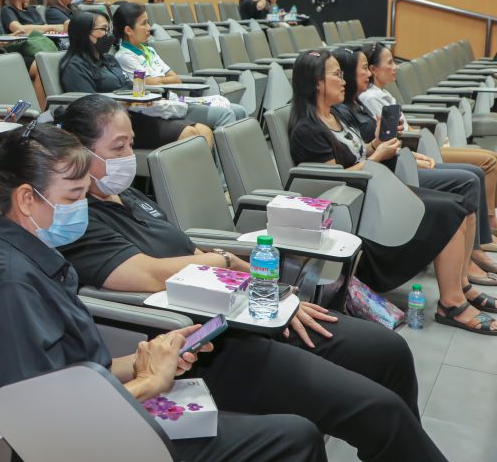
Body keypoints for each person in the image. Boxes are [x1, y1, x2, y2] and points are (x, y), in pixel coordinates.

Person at [54, 94, 449, 462]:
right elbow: (149, 273)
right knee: (380, 410)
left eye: (131, 144)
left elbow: (188, 251)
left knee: (389, 351)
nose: (129, 157)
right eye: (117, 148)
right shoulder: (78, 221)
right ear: (79, 152)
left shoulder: (127, 196)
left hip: (248, 311)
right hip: (207, 345)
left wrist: (275, 295)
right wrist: (227, 261)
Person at [0, 123, 328, 462]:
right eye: (72, 198)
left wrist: (147, 359)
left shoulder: (37, 258)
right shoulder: (11, 285)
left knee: (293, 433)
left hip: (92, 419)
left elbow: (84, 371)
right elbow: (46, 422)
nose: (83, 208)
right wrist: (149, 382)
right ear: (26, 199)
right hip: (74, 444)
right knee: (295, 439)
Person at [288, 49, 496, 335]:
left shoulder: (337, 115)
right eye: (336, 75)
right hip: (359, 212)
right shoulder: (307, 130)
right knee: (450, 212)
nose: (344, 80)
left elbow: (357, 155)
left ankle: (462, 287)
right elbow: (332, 180)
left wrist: (375, 144)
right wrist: (376, 157)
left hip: (378, 192)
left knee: (461, 204)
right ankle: (452, 304)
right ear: (316, 82)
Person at [333, 46, 497, 286]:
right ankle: (469, 263)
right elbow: (355, 161)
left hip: (394, 163)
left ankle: (474, 252)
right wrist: (391, 151)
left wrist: (389, 146)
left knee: (476, 172)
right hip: (387, 171)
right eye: (365, 68)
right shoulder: (349, 109)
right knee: (471, 179)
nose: (369, 74)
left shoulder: (355, 106)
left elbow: (371, 147)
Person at [60, 11, 213, 149]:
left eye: (109, 29)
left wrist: (145, 97)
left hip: (138, 113)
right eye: (103, 29)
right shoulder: (75, 66)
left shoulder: (109, 60)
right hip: (111, 125)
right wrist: (124, 104)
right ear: (84, 33)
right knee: (189, 134)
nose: (109, 34)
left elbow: (129, 86)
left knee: (204, 131)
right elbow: (88, 106)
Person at [112, 2, 246, 128]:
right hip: (159, 107)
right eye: (144, 23)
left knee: (239, 110)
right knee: (225, 114)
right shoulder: (125, 56)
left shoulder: (150, 50)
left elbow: (176, 79)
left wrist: (159, 80)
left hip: (176, 100)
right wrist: (162, 80)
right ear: (128, 30)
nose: (149, 28)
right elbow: (150, 84)